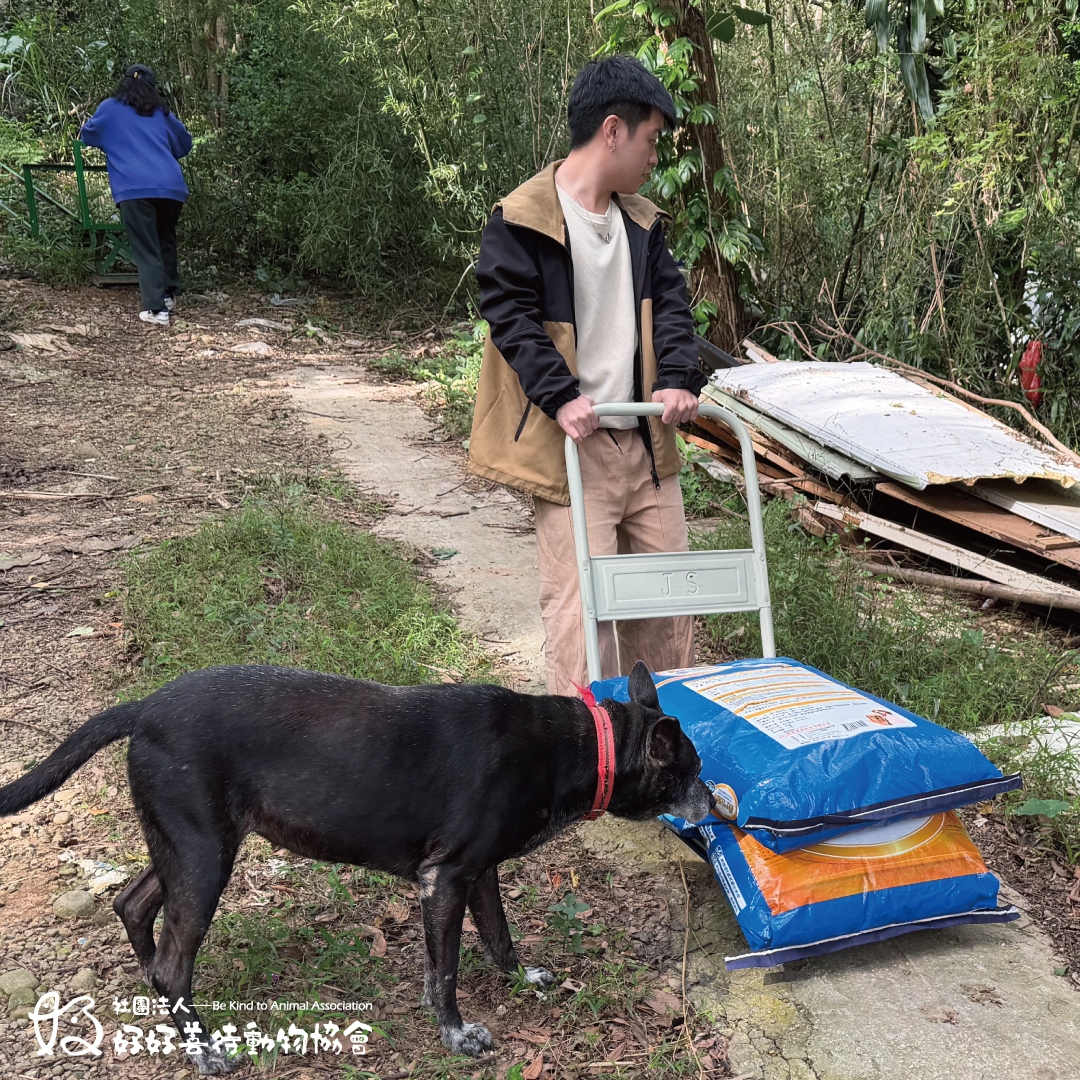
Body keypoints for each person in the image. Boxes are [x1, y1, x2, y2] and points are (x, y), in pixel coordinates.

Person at [469, 55, 707, 695]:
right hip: (574, 447)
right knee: (584, 627)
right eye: (650, 140)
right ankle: (585, 752)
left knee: (668, 617)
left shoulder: (643, 224)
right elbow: (511, 318)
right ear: (612, 131)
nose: (654, 157)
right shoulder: (522, 218)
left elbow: (673, 309)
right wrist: (562, 396)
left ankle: (662, 746)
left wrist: (677, 377)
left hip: (648, 442)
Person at [80, 64, 192, 326]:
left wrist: (116, 142)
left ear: (123, 84)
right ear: (153, 89)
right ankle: (167, 296)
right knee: (165, 239)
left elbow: (88, 134)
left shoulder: (110, 108)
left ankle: (156, 310)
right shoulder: (162, 112)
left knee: (146, 246)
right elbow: (184, 143)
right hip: (171, 186)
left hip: (134, 187)